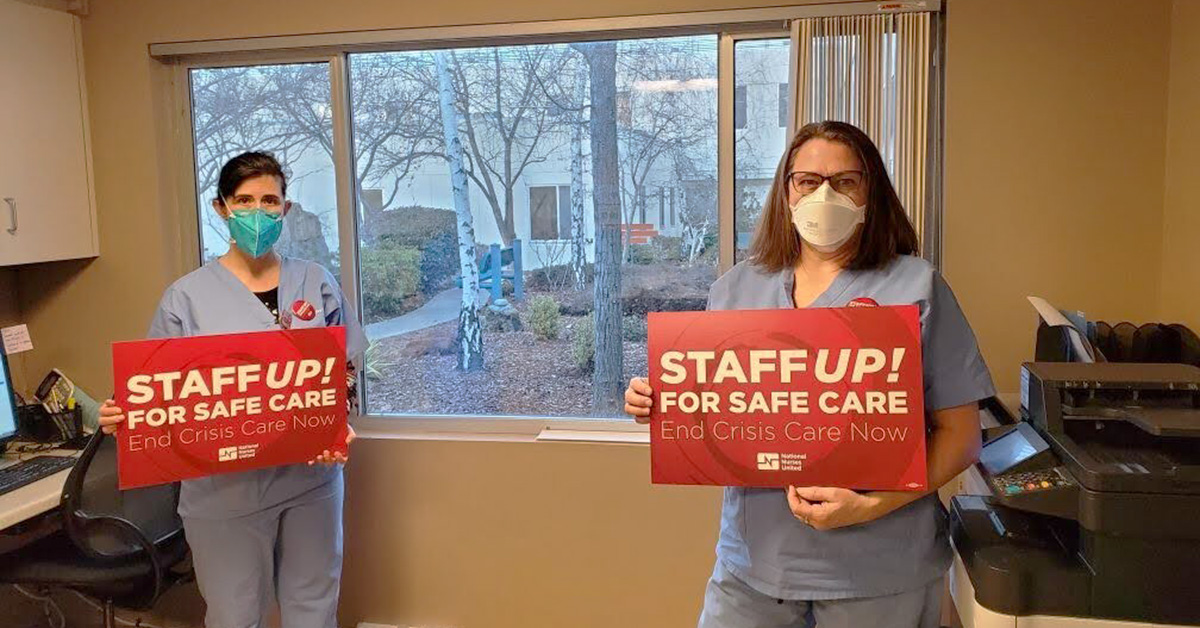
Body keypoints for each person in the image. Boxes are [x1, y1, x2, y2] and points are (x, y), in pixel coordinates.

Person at [625, 121, 994, 628]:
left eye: (845, 181)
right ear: (785, 191)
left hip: (880, 573)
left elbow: (963, 436)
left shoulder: (916, 286)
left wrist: (871, 506)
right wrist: (660, 404)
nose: (825, 193)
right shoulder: (736, 289)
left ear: (870, 192)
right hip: (752, 569)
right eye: (807, 180)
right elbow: (717, 416)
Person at [97, 151, 367, 628]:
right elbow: (157, 394)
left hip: (312, 482)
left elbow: (343, 368)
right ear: (221, 208)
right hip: (224, 494)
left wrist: (339, 425)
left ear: (285, 210)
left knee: (315, 607)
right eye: (244, 201)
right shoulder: (186, 297)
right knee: (236, 615)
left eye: (269, 201)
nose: (257, 213)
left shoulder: (315, 282)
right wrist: (126, 417)